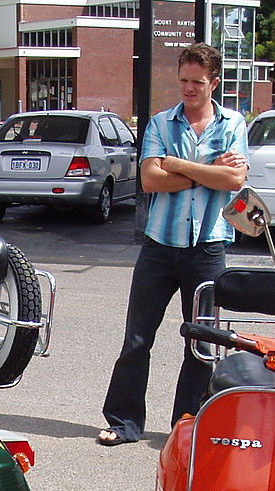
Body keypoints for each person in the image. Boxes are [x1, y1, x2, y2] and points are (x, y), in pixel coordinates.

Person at [97, 43, 248, 445]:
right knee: (137, 338)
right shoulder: (161, 124)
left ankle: (187, 425)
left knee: (200, 342)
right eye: (183, 80)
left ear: (214, 82)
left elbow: (233, 181)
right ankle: (123, 422)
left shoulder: (233, 124)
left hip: (208, 248)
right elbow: (150, 181)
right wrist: (204, 170)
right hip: (160, 246)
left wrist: (176, 164)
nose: (188, 89)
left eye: (197, 82)